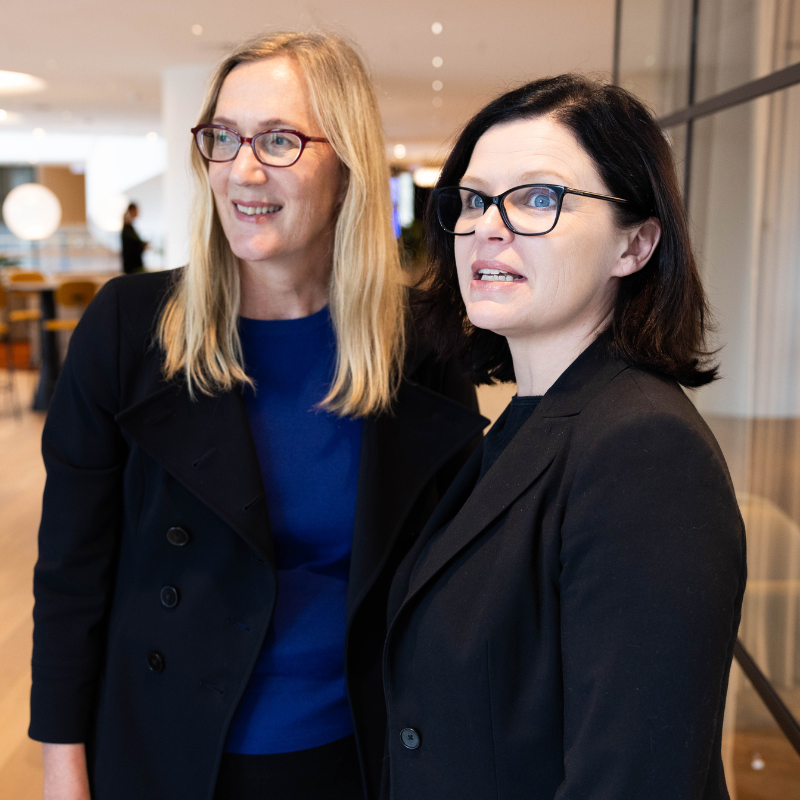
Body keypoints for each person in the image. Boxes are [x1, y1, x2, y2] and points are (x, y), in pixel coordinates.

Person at [29, 32, 483, 800]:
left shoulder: (420, 346)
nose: (243, 170)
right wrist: (62, 769)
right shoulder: (128, 328)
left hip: (364, 749)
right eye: (224, 138)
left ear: (347, 168)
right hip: (167, 748)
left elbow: (451, 583)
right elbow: (71, 574)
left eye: (279, 140)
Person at [382, 75, 746, 800]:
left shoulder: (643, 451)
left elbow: (632, 780)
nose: (489, 225)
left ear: (635, 245)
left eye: (538, 198)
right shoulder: (529, 420)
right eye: (474, 198)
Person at [120, 202, 147, 274]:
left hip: (135, 265)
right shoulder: (127, 229)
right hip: (132, 267)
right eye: (136, 210)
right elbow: (130, 247)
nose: (138, 212)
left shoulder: (130, 228)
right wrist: (142, 245)